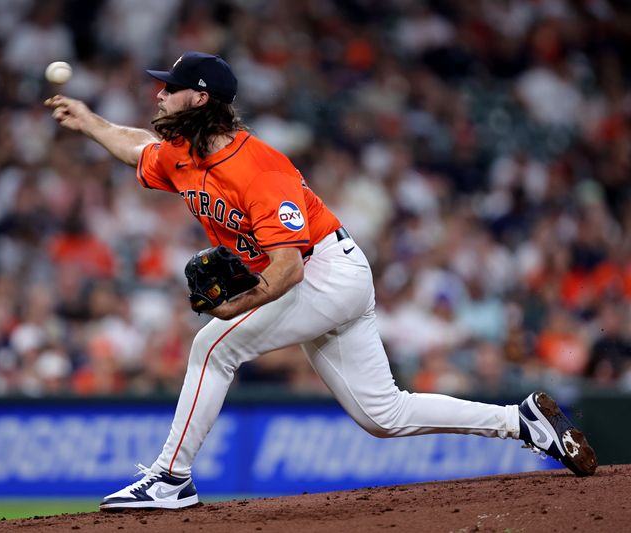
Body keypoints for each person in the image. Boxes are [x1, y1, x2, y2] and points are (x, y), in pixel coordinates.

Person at [45, 51, 597, 510]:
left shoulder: (260, 169)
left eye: (171, 89)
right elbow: (136, 145)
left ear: (201, 99)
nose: (159, 95)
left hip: (324, 272)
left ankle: (171, 477)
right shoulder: (181, 155)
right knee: (383, 415)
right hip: (312, 279)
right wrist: (90, 122)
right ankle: (521, 422)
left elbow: (286, 268)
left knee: (212, 346)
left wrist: (238, 308)